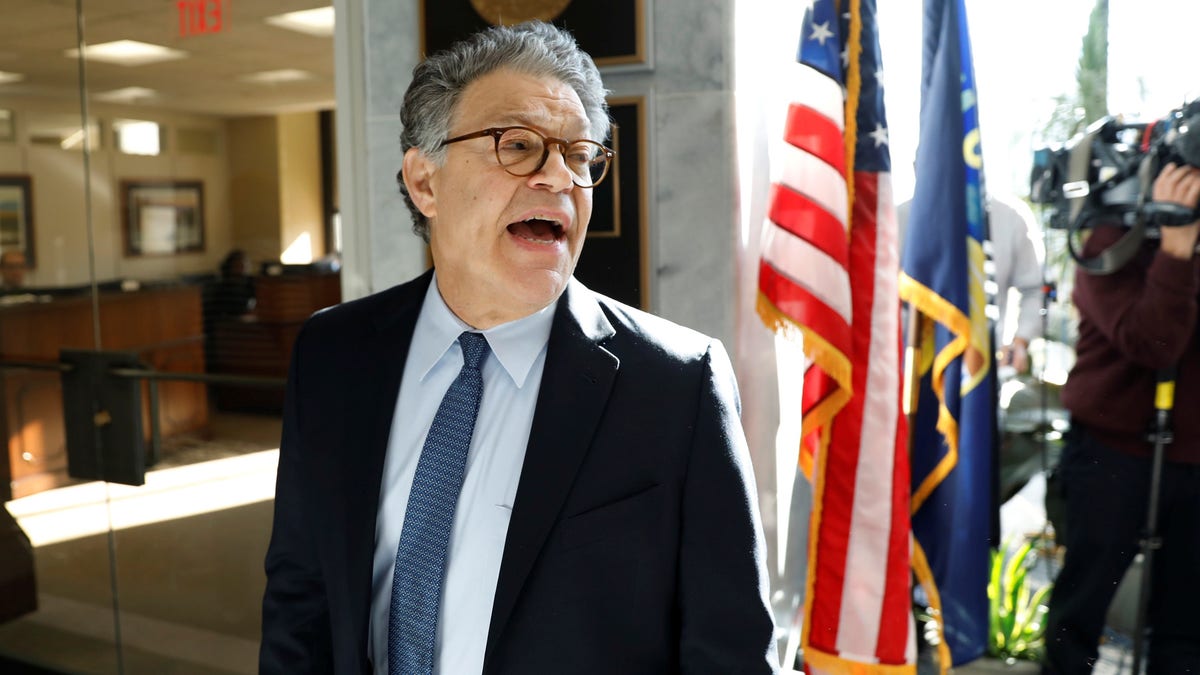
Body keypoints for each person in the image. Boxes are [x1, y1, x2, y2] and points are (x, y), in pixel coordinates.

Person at [259, 21, 778, 675]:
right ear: (425, 181)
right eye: (520, 145)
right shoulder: (331, 355)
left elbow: (729, 653)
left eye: (581, 154)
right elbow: (299, 601)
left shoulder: (677, 384)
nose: (560, 176)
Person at [1041, 162, 1200, 674]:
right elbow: (1152, 343)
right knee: (1078, 617)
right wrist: (1176, 249)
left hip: (1195, 463)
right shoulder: (1111, 235)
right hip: (1111, 454)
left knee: (1185, 632)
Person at [898, 194, 1045, 373]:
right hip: (914, 363)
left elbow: (1033, 290)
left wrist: (1021, 340)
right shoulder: (900, 216)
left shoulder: (1011, 217)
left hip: (984, 364)